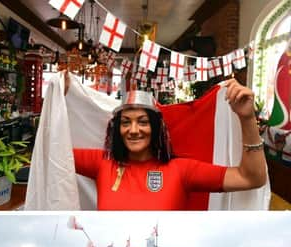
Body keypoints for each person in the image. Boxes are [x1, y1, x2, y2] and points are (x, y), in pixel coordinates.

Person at [67, 75, 267, 210]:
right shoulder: (102, 162)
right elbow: (53, 150)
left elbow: (251, 178)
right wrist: (61, 94)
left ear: (156, 128)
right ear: (117, 129)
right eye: (126, 122)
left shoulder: (182, 170)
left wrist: (247, 118)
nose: (134, 130)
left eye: (143, 122)